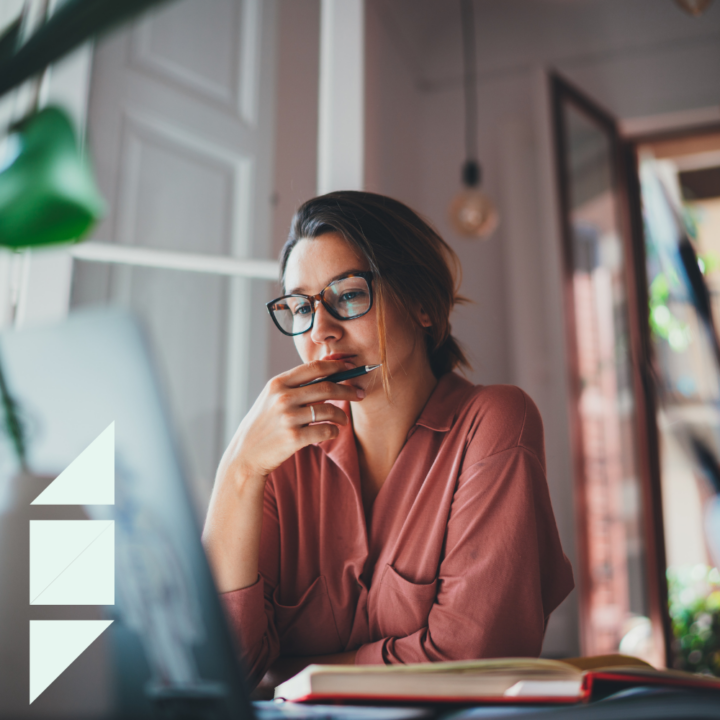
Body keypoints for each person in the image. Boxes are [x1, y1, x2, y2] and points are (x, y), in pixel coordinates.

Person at [202, 191, 574, 690]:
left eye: (349, 294)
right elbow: (219, 670)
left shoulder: (494, 422)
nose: (322, 333)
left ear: (422, 304)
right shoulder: (278, 458)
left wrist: (290, 674)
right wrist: (239, 469)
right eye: (301, 307)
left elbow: (471, 659)